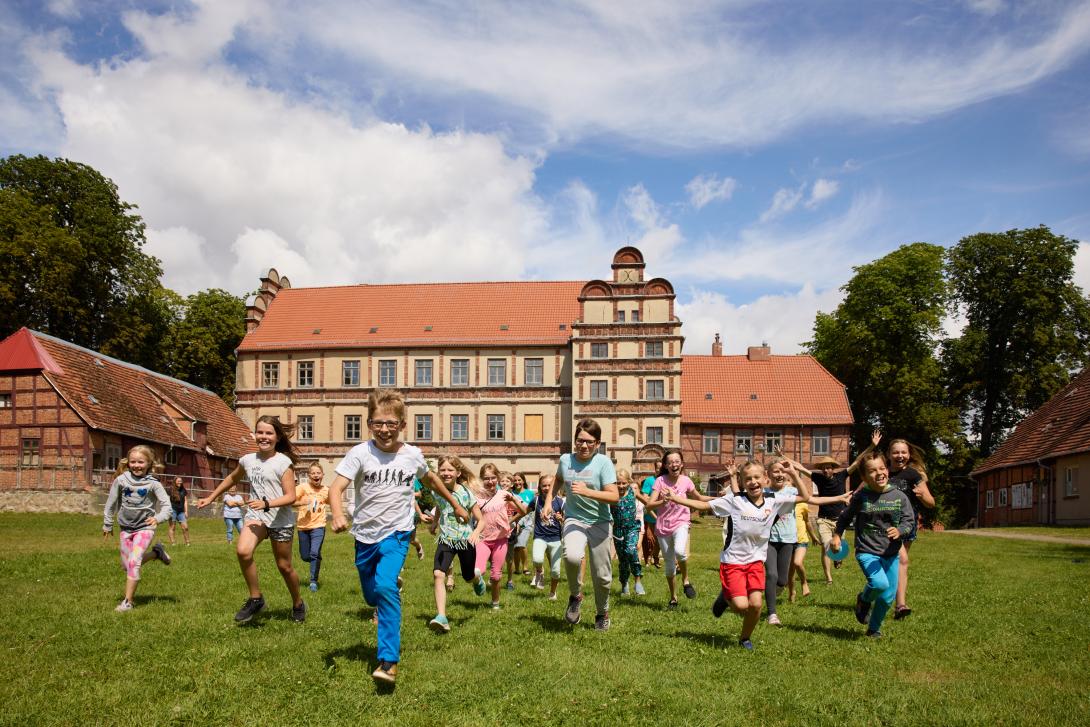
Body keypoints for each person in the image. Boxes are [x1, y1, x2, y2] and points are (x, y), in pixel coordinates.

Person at [328, 389, 469, 684]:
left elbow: (429, 479)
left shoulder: (412, 455)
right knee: (372, 595)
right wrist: (339, 514)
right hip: (365, 535)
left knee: (385, 587)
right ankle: (387, 586)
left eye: (391, 423)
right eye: (377, 423)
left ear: (403, 424)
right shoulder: (360, 453)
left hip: (398, 532)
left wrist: (454, 503)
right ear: (369, 423)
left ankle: (388, 661)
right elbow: (336, 487)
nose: (384, 430)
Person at [665, 460, 811, 650]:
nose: (753, 482)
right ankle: (725, 598)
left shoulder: (774, 501)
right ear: (742, 482)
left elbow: (805, 496)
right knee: (742, 606)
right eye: (747, 479)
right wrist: (676, 498)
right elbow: (702, 506)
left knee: (757, 605)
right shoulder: (735, 501)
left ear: (765, 479)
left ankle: (744, 638)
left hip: (756, 562)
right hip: (732, 561)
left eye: (757, 477)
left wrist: (793, 473)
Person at [197, 416, 306, 625]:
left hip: (279, 520)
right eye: (260, 432)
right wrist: (211, 496)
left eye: (268, 433)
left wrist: (266, 503)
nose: (263, 437)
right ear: (255, 434)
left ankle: (298, 603)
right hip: (256, 516)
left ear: (277, 437)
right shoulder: (247, 460)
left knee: (284, 566)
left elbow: (291, 497)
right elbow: (232, 478)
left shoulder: (284, 462)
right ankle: (256, 598)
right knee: (243, 551)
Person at [542, 418, 619, 631]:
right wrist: (549, 501)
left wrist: (588, 492)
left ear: (597, 443)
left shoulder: (603, 463)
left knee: (602, 575)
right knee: (572, 556)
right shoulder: (566, 460)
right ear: (574, 441)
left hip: (600, 522)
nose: (584, 446)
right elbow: (558, 479)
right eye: (580, 441)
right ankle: (576, 596)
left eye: (589, 442)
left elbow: (614, 497)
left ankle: (602, 612)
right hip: (574, 518)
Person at [830, 450, 915, 638]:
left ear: (887, 470)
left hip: (891, 553)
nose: (879, 473)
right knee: (879, 583)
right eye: (873, 471)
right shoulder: (862, 496)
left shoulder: (899, 497)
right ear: (864, 476)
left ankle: (873, 629)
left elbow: (909, 521)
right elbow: (845, 517)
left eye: (882, 468)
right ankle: (863, 599)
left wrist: (900, 530)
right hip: (867, 550)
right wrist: (837, 536)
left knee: (887, 597)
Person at [778, 431, 877, 584]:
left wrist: (872, 446)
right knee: (826, 546)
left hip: (839, 520)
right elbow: (799, 466)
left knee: (837, 549)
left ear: (833, 468)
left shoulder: (842, 475)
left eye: (828, 467)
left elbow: (857, 462)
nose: (825, 470)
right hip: (823, 520)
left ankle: (838, 558)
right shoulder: (818, 478)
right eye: (823, 468)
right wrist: (783, 456)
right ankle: (829, 579)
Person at [102, 447, 172, 612]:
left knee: (134, 562)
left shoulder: (153, 483)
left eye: (141, 462)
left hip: (145, 527)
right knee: (127, 566)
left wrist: (158, 518)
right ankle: (157, 553)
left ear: (148, 463)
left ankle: (128, 602)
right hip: (126, 527)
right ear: (128, 462)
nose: (136, 465)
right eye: (133, 462)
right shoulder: (121, 480)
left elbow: (167, 507)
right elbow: (111, 503)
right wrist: (107, 523)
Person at [427, 455, 485, 633]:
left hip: (466, 540)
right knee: (438, 574)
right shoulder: (437, 490)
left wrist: (476, 533)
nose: (445, 473)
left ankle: (476, 577)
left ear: (458, 472)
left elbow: (481, 520)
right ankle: (442, 616)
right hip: (446, 540)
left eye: (450, 470)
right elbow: (440, 507)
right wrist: (435, 523)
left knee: (467, 576)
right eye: (442, 470)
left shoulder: (466, 492)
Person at [647, 449, 711, 608]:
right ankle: (673, 597)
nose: (674, 464)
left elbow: (700, 498)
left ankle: (686, 580)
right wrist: (663, 502)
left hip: (681, 522)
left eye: (677, 461)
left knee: (681, 551)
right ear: (666, 465)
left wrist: (722, 498)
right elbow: (649, 505)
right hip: (663, 527)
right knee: (669, 566)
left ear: (681, 464)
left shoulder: (686, 481)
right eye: (670, 462)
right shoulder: (660, 481)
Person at [886, 438, 935, 620]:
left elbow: (931, 503)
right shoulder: (882, 472)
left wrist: (922, 496)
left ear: (909, 454)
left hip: (907, 526)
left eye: (903, 452)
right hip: (886, 526)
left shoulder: (914, 475)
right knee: (902, 561)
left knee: (897, 562)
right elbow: (863, 490)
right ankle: (900, 604)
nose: (900, 456)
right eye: (896, 452)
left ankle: (893, 602)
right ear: (889, 455)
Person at [473, 466, 528, 609]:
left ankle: (495, 603)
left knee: (496, 576)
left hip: (501, 540)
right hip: (483, 539)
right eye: (486, 478)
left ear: (497, 478)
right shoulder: (477, 495)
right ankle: (478, 582)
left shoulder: (504, 494)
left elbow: (524, 511)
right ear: (481, 479)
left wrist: (514, 502)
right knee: (478, 570)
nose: (490, 481)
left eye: (493, 478)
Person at [295, 462, 330, 592]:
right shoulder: (302, 488)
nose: (316, 475)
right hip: (303, 526)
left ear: (322, 475)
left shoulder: (326, 490)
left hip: (319, 526)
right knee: (305, 556)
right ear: (309, 475)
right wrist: (301, 502)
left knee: (314, 553)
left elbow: (334, 502)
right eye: (313, 473)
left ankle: (313, 581)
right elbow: (290, 501)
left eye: (318, 473)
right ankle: (316, 559)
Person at [610, 468, 644, 597]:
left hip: (632, 528)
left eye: (623, 483)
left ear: (628, 482)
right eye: (618, 483)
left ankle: (638, 581)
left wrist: (659, 505)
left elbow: (647, 502)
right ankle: (624, 583)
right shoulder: (612, 495)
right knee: (623, 560)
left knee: (631, 551)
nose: (621, 486)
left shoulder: (633, 491)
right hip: (618, 531)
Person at [530, 474, 564, 599]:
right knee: (537, 560)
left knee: (555, 571)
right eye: (544, 485)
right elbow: (524, 511)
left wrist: (562, 518)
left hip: (555, 538)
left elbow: (567, 518)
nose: (547, 487)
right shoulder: (536, 500)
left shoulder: (560, 501)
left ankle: (552, 592)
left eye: (550, 485)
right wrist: (512, 519)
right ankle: (540, 572)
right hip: (540, 536)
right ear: (540, 487)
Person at [787, 499, 819, 603]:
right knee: (790, 571)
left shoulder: (802, 505)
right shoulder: (782, 504)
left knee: (797, 562)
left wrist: (813, 536)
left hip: (801, 540)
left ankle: (804, 582)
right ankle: (792, 592)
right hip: (787, 541)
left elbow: (807, 522)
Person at [510, 472, 536, 581]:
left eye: (519, 480)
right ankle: (516, 569)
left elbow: (529, 510)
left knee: (522, 544)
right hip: (513, 523)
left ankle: (525, 567)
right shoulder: (511, 493)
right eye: (515, 480)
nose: (517, 482)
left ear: (523, 481)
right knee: (515, 548)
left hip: (527, 523)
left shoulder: (530, 493)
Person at [635, 474, 661, 568]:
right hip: (644, 520)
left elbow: (648, 506)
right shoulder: (649, 481)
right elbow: (646, 501)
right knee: (648, 540)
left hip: (656, 519)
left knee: (656, 541)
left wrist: (657, 518)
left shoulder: (665, 480)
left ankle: (653, 558)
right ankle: (645, 561)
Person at [167, 476, 191, 546]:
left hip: (181, 511)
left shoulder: (183, 490)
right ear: (175, 482)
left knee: (185, 527)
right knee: (172, 527)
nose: (180, 482)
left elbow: (185, 501)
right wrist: (168, 510)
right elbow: (167, 501)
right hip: (172, 510)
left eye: (181, 481)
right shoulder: (170, 489)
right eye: (178, 481)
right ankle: (173, 543)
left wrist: (186, 511)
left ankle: (188, 543)